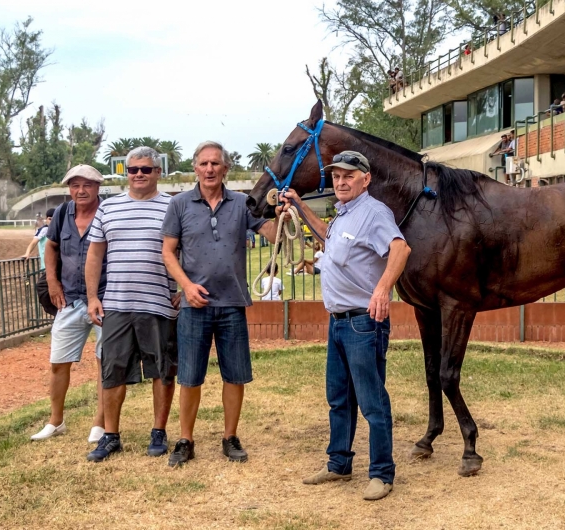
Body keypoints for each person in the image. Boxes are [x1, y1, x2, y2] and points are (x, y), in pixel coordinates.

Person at [279, 150, 411, 502]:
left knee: (371, 402)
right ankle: (339, 463)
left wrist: (383, 289)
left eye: (348, 176)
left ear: (365, 179)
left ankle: (382, 474)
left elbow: (400, 249)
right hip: (338, 323)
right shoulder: (343, 214)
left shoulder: (374, 213)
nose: (340, 181)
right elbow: (328, 238)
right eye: (336, 176)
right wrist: (299, 205)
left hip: (363, 324)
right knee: (339, 399)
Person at [161, 141, 278, 467]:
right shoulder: (180, 205)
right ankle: (186, 439)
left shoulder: (243, 203)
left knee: (235, 375)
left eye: (216, 163)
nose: (210, 169)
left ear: (225, 168)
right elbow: (168, 252)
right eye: (204, 163)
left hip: (232, 303)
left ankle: (230, 437)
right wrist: (186, 287)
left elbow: (271, 232)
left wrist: (280, 213)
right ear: (195, 168)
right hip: (194, 306)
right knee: (189, 376)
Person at [84, 146, 181, 462]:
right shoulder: (108, 209)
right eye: (133, 170)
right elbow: (95, 254)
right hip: (117, 304)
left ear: (158, 172)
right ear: (126, 173)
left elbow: (189, 250)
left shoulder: (174, 207)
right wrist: (92, 297)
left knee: (162, 369)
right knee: (112, 370)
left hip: (160, 302)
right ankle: (111, 435)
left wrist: (185, 287)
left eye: (146, 169)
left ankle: (159, 431)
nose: (139, 174)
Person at [30, 166, 108, 443]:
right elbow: (51, 246)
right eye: (75, 185)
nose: (81, 190)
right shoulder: (63, 213)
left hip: (104, 298)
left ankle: (100, 422)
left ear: (98, 186)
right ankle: (55, 421)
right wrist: (52, 282)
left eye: (87, 185)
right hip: (70, 300)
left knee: (104, 362)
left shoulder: (108, 212)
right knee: (58, 362)